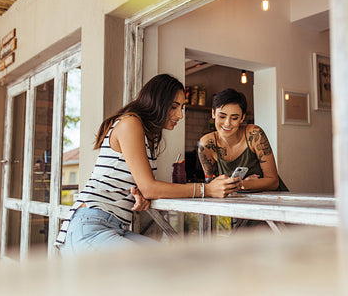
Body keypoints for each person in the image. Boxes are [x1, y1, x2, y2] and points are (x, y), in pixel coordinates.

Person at [55, 74, 240, 256]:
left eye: (182, 107)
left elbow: (139, 184)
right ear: (156, 102)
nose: (180, 115)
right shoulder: (130, 123)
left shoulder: (146, 133)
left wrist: (139, 193)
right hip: (90, 226)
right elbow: (150, 187)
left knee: (171, 260)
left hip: (113, 226)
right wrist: (206, 190)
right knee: (158, 269)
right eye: (174, 106)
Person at [198, 88, 287, 192]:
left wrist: (242, 184)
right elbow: (212, 188)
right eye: (222, 116)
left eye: (234, 118)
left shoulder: (255, 135)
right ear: (213, 113)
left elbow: (273, 182)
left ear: (242, 118)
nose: (227, 123)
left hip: (274, 200)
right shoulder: (206, 144)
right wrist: (241, 184)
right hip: (238, 203)